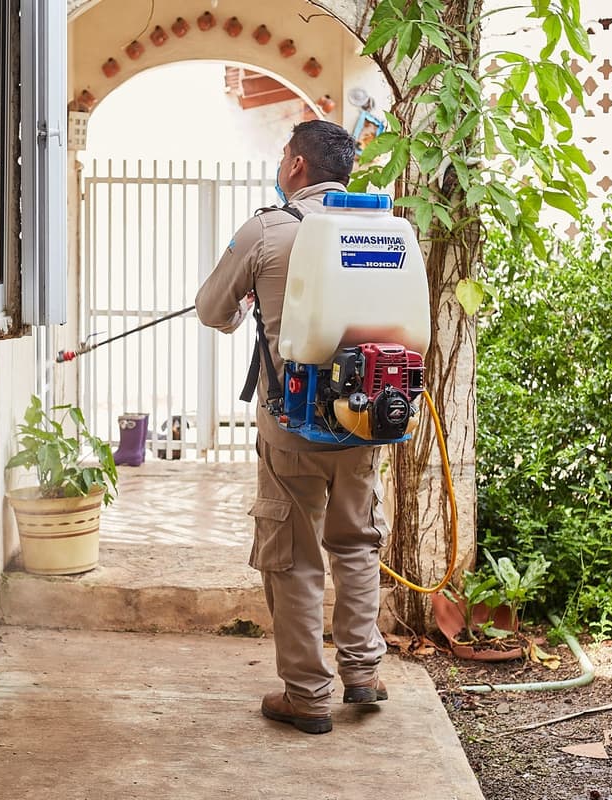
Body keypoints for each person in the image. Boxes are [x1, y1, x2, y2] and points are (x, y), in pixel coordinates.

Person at [194, 120, 390, 735]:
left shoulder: (268, 229)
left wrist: (250, 303)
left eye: (284, 155)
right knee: (356, 543)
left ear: (298, 165)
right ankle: (363, 672)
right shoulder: (382, 229)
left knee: (296, 557)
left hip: (292, 427)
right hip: (366, 419)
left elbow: (211, 309)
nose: (281, 165)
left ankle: (307, 696)